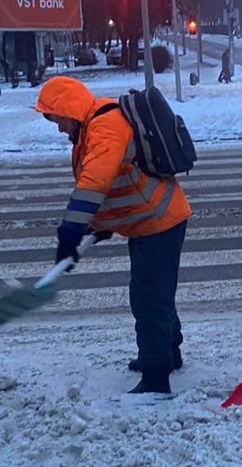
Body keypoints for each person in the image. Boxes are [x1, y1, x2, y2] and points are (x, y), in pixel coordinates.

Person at [35, 76, 191, 396]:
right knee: (156, 293)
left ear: (70, 109)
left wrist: (69, 233)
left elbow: (95, 183)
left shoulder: (105, 126)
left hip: (158, 221)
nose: (59, 128)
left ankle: (155, 377)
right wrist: (97, 226)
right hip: (148, 222)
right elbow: (118, 184)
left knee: (148, 299)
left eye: (57, 118)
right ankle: (168, 354)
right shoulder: (92, 128)